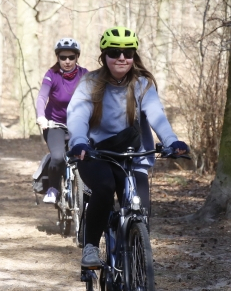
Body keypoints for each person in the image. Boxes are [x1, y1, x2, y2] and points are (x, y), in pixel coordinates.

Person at [67, 27, 188, 271]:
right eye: (114, 52)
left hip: (133, 157)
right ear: (105, 56)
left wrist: (171, 141)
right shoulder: (90, 83)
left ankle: (133, 261)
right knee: (104, 188)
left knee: (139, 208)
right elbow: (78, 114)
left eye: (128, 52)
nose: (121, 57)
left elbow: (156, 115)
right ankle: (91, 247)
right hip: (96, 154)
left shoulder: (142, 84)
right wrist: (79, 141)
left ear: (134, 55)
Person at [35, 38, 87, 204]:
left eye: (71, 57)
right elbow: (42, 96)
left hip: (78, 124)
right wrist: (41, 116)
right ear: (57, 58)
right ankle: (53, 188)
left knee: (88, 156)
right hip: (54, 124)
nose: (67, 61)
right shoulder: (52, 74)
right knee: (58, 157)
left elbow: (96, 97)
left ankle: (88, 190)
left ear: (77, 57)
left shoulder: (84, 75)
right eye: (63, 57)